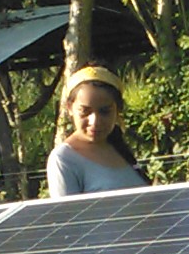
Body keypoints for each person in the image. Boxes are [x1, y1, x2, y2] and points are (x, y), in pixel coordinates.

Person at [45, 67, 149, 197]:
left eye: (104, 111)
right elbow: (66, 215)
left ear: (118, 110)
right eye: (85, 111)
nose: (95, 121)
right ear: (70, 108)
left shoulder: (119, 148)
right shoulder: (63, 159)